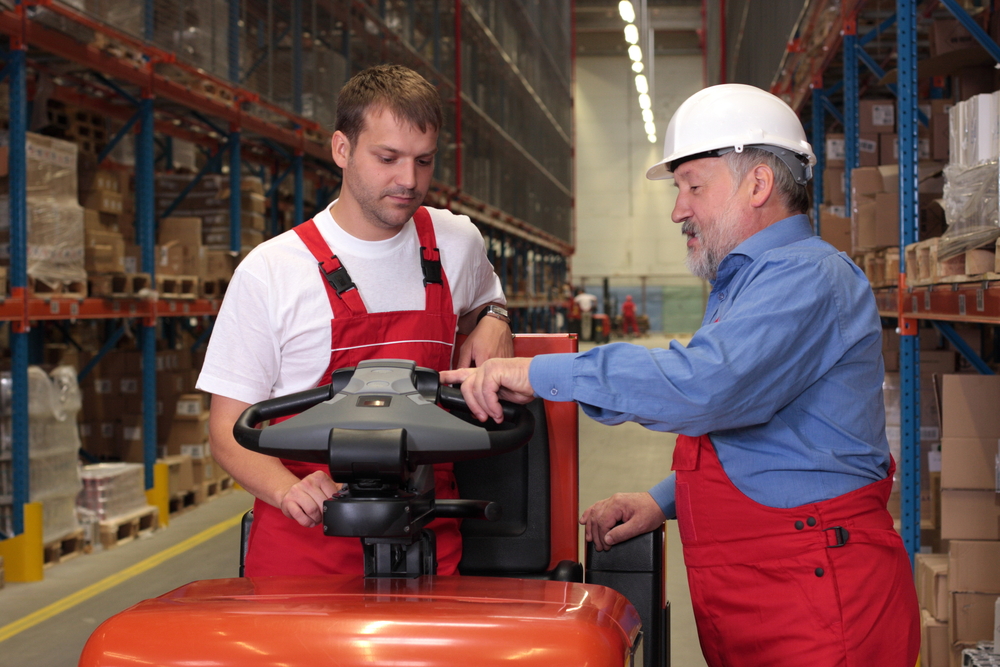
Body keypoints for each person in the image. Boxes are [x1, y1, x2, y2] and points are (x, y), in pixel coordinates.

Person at [442, 83, 919, 667]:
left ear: (759, 185)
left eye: (693, 186)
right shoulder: (747, 283)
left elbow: (707, 386)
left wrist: (544, 372)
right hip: (767, 591)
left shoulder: (808, 277)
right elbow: (770, 442)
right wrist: (662, 500)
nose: (678, 209)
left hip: (820, 598)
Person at [198, 64, 513, 578]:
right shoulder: (272, 271)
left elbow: (486, 297)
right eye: (387, 158)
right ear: (341, 149)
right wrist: (285, 490)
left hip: (429, 539)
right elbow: (225, 429)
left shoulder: (458, 242)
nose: (408, 181)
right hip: (308, 541)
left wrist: (495, 315)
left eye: (423, 161)